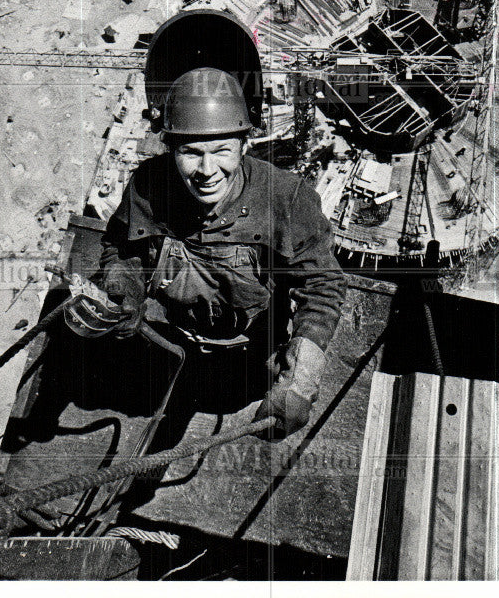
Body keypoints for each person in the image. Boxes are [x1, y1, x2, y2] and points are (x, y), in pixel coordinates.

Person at [66, 67, 347, 441]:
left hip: (253, 350)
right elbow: (122, 247)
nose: (207, 170)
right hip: (170, 341)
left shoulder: (285, 198)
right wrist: (123, 292)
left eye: (222, 151)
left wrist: (301, 376)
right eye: (190, 152)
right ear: (170, 148)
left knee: (236, 400)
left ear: (245, 144)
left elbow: (323, 284)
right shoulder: (149, 185)